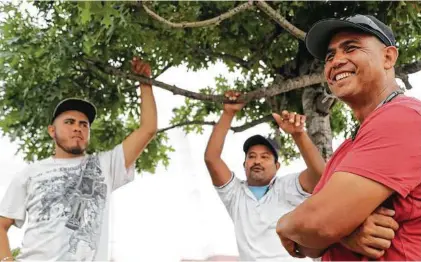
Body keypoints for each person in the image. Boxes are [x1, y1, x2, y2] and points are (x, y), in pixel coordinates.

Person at [276, 14, 421, 261]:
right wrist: (345, 233)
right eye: (330, 56)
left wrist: (283, 224)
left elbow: (317, 224)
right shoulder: (350, 147)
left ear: (388, 57)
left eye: (351, 48)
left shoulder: (404, 118)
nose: (337, 61)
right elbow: (307, 246)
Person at [205, 91, 399, 261]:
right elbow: (211, 159)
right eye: (252, 156)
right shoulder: (235, 194)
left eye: (265, 157)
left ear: (277, 166)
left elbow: (320, 177)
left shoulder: (286, 186)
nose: (257, 161)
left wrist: (299, 135)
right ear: (244, 164)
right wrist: (228, 113)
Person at [0, 57, 157, 261]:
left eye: (84, 124)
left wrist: (145, 83)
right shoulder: (30, 174)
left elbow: (148, 129)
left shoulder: (105, 165)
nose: (77, 127)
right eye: (69, 122)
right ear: (51, 131)